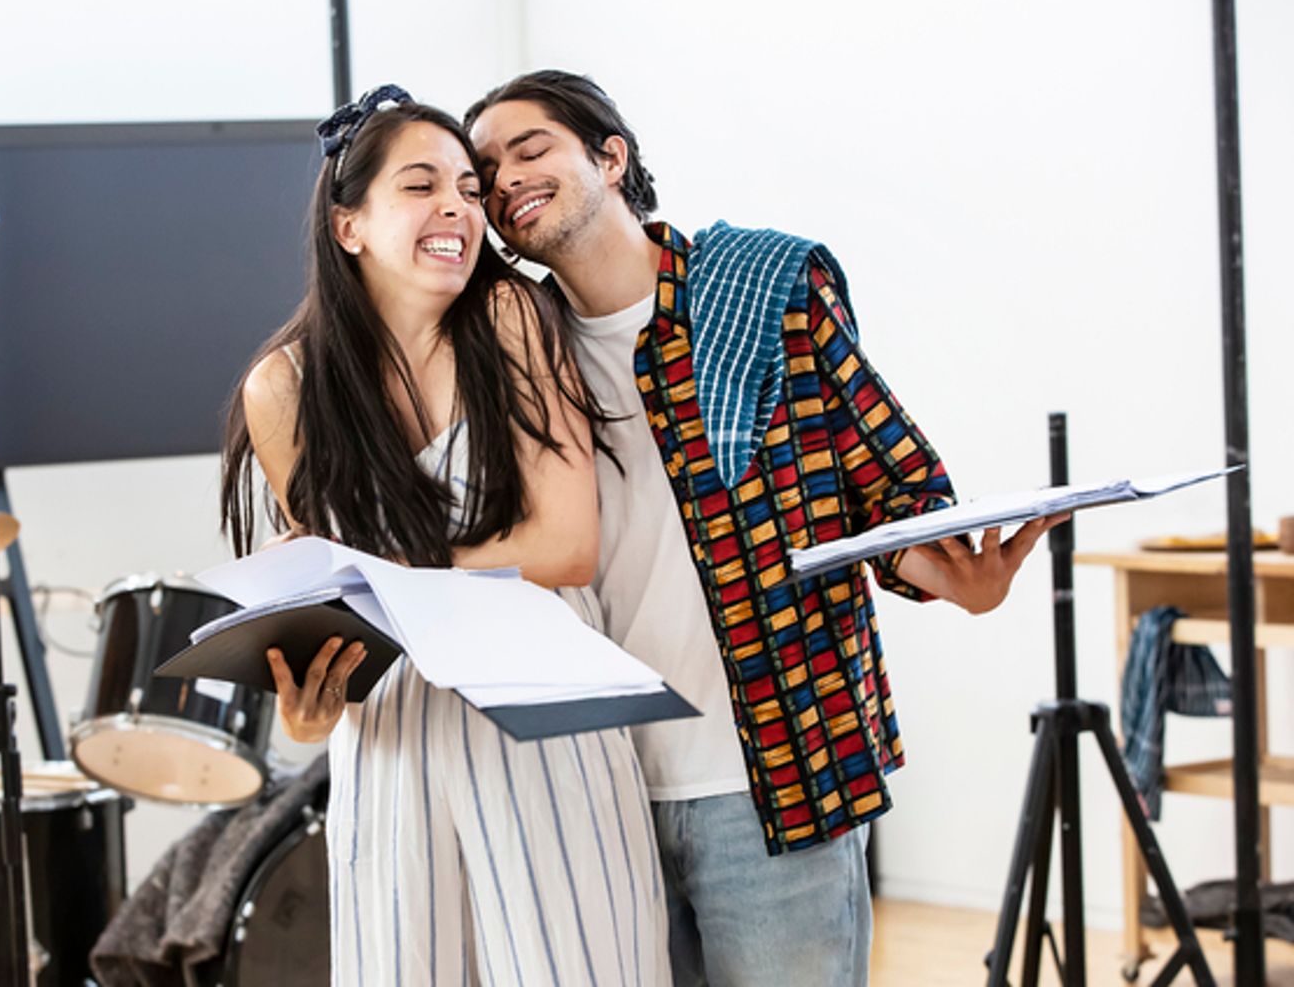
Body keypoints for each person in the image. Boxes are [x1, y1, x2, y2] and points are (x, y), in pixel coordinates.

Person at [465, 71, 1063, 987]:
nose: (505, 178)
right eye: (486, 168)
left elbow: (882, 485)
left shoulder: (759, 289)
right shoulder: (518, 346)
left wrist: (954, 577)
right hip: (598, 789)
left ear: (610, 157)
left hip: (772, 773)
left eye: (530, 148)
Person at [220, 84, 670, 986]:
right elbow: (328, 619)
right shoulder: (284, 388)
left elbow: (563, 546)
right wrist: (311, 705)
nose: (459, 209)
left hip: (542, 719)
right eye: (422, 187)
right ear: (348, 226)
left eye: (469, 189)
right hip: (390, 745)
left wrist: (368, 577)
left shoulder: (509, 321)